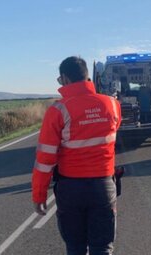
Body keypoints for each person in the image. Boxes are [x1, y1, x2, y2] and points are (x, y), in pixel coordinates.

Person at [31, 56, 121, 255]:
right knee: (102, 247)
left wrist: (39, 194)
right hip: (103, 185)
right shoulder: (112, 105)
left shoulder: (58, 110)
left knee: (75, 247)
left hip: (70, 189)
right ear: (87, 76)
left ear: (64, 78)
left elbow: (45, 160)